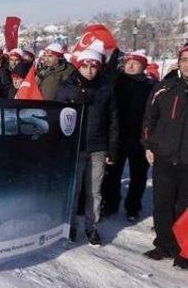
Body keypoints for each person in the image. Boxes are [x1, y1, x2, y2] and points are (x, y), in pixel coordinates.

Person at [55, 49, 119, 247]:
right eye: (86, 65)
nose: (90, 70)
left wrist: (112, 148)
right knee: (74, 190)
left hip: (98, 147)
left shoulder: (106, 88)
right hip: (75, 146)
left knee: (95, 191)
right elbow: (57, 117)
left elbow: (113, 120)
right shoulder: (66, 87)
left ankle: (92, 228)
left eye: (94, 66)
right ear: (79, 65)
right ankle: (71, 226)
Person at [142, 44, 188, 270]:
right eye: (185, 59)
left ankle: (184, 250)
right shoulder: (163, 88)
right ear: (179, 61)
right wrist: (148, 146)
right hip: (164, 157)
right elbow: (148, 120)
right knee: (162, 204)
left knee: (186, 207)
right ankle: (164, 244)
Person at [101, 50, 153, 220]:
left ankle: (133, 207)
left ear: (143, 66)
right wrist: (114, 56)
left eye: (135, 63)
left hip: (140, 138)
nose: (130, 65)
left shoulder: (151, 86)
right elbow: (106, 75)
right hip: (118, 136)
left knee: (138, 176)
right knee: (113, 173)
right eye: (128, 62)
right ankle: (110, 205)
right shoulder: (117, 80)